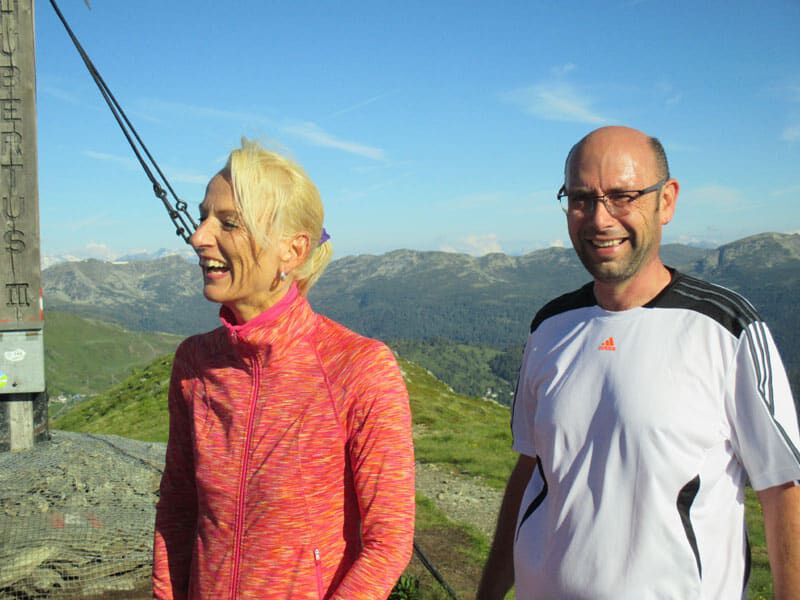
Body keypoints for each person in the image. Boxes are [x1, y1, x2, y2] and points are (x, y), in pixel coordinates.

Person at [478, 125, 800, 599]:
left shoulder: (727, 328)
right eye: (582, 198)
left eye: (622, 196)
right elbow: (531, 467)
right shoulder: (549, 327)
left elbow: (782, 488)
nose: (599, 218)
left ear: (666, 201)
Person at [152, 140, 415, 599]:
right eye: (203, 216)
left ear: (292, 251)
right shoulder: (194, 363)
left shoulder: (358, 368)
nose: (198, 237)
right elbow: (178, 506)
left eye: (229, 223)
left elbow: (388, 542)